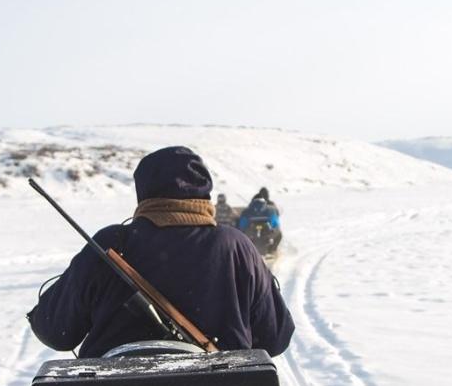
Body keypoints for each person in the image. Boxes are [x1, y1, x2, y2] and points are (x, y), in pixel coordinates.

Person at [27, 146, 294, 358]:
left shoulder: (111, 243)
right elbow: (276, 338)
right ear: (205, 193)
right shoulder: (235, 245)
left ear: (143, 192)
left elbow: (55, 332)